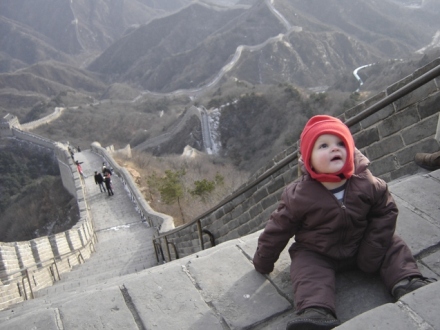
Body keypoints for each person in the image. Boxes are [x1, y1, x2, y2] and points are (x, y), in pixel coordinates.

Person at [253, 115, 436, 330]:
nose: (334, 149)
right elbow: (277, 229)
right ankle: (316, 310)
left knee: (392, 245)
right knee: (305, 267)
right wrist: (263, 260)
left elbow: (386, 211)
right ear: (308, 158)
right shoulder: (298, 195)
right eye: (323, 145)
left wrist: (372, 250)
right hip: (319, 250)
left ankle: (406, 279)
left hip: (362, 241)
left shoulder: (365, 181)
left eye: (341, 143)